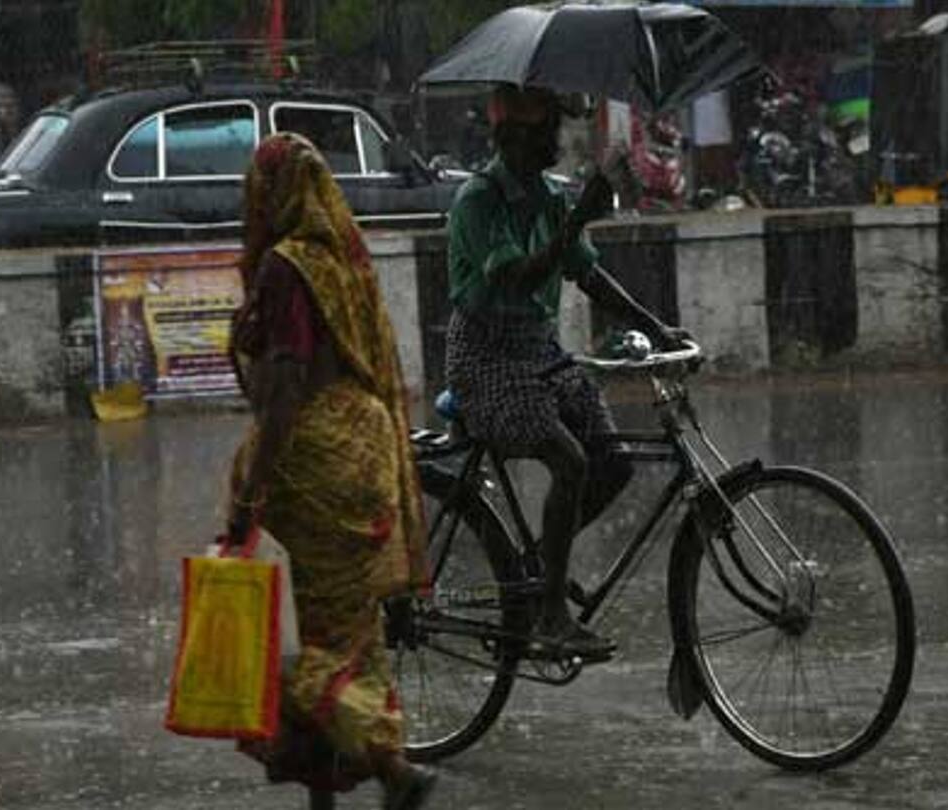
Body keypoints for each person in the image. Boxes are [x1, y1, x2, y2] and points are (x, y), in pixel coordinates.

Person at [226, 132, 435, 809]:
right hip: (365, 450)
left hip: (320, 463)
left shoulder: (287, 268)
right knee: (356, 634)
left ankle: (394, 768)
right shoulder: (342, 261)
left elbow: (285, 384)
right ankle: (326, 791)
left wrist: (253, 491)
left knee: (317, 650)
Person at [444, 85, 687, 658]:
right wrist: (577, 216)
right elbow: (518, 278)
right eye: (547, 129)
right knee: (569, 460)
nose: (557, 140)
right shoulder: (479, 201)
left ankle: (539, 570)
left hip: (538, 350)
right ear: (514, 137)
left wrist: (656, 327)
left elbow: (588, 274)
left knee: (614, 463)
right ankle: (550, 615)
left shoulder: (550, 197)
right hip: (485, 358)